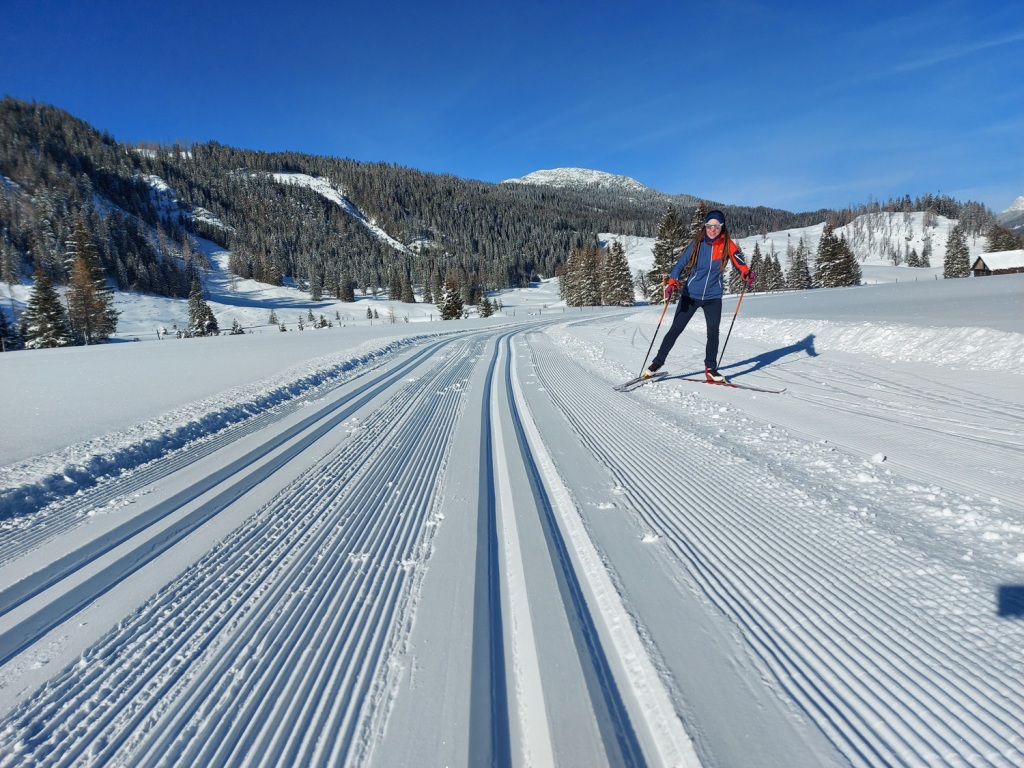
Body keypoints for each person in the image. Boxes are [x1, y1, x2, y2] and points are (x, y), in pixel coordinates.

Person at [647, 210, 754, 382]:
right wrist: (672, 281)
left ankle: (711, 368)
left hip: (713, 297)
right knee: (676, 329)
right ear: (705, 227)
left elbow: (738, 262)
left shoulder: (727, 244)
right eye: (709, 226)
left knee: (713, 333)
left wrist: (746, 273)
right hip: (691, 295)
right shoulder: (697, 243)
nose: (712, 230)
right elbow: (680, 263)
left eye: (716, 226)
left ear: (722, 227)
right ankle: (657, 363)